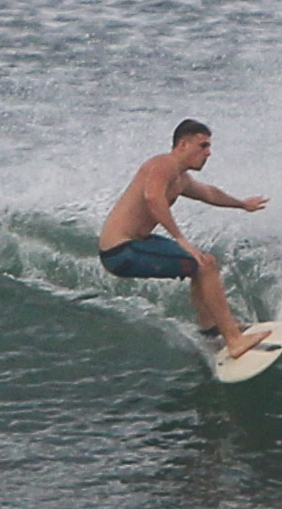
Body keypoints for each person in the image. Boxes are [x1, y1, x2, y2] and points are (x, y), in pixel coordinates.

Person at [99, 119, 271, 358]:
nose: (208, 152)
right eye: (203, 145)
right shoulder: (162, 164)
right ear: (182, 144)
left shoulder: (181, 179)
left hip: (139, 244)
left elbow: (209, 193)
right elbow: (152, 198)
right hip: (122, 251)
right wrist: (180, 238)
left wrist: (242, 204)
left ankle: (211, 330)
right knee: (205, 264)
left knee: (200, 264)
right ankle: (234, 340)